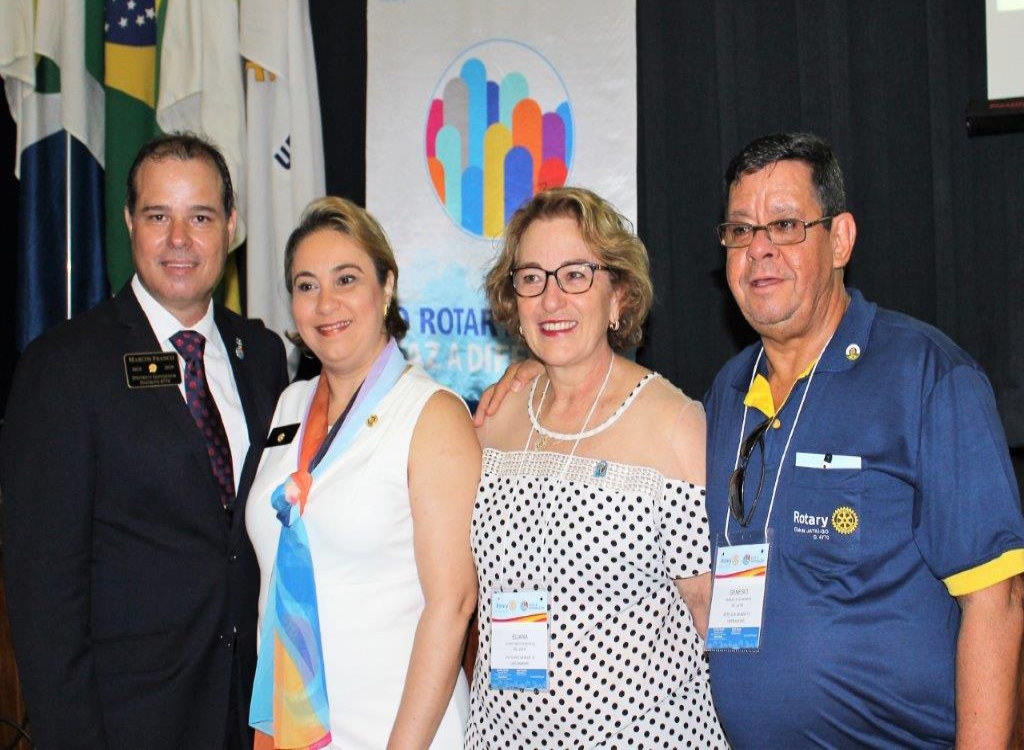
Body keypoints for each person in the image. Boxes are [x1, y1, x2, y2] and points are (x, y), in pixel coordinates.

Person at [702, 131, 1024, 747]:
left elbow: (996, 600)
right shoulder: (728, 392)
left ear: (841, 239)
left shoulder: (927, 376)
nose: (758, 249)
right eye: (740, 230)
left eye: (785, 225)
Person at [1, 133, 289, 749]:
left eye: (200, 217)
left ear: (231, 226)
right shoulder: (64, 366)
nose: (179, 239)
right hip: (128, 724)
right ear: (130, 223)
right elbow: (43, 593)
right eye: (159, 216)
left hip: (253, 716)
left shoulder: (263, 355)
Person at [465, 187, 727, 748]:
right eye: (532, 277)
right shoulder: (495, 417)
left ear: (618, 297)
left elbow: (712, 612)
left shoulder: (674, 426)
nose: (551, 299)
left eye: (575, 275)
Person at [244, 196, 479, 749]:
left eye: (346, 279)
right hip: (291, 729)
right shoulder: (289, 406)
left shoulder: (432, 414)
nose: (325, 303)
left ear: (386, 285)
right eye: (306, 285)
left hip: (398, 732)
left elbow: (453, 606)